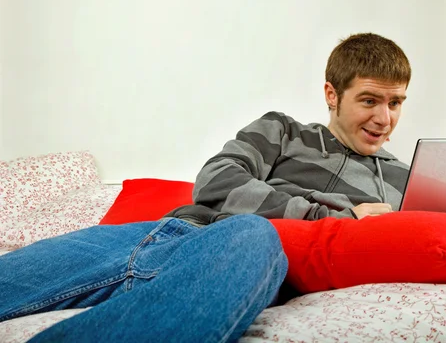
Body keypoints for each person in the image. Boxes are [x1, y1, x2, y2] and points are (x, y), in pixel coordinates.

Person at [0, 32, 411, 342]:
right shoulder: (283, 130)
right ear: (332, 95)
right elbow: (217, 180)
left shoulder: (401, 181)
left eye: (395, 103)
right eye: (370, 100)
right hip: (165, 234)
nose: (385, 119)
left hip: (247, 258)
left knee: (254, 233)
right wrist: (328, 214)